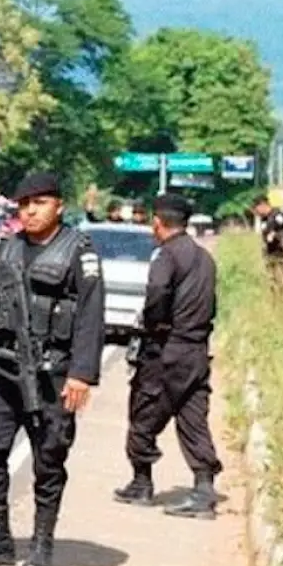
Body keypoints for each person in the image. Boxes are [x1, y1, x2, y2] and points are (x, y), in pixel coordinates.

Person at [0, 173, 105, 566]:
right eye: (24, 204)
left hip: (53, 376)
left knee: (49, 459)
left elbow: (91, 314)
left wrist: (82, 373)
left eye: (39, 203)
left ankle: (41, 544)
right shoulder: (8, 247)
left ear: (59, 205)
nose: (30, 211)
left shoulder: (79, 251)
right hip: (2, 369)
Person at [113, 193, 223, 519]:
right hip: (197, 350)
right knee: (193, 416)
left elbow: (157, 293)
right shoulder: (205, 258)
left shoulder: (166, 256)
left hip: (166, 349)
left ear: (158, 223)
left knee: (144, 411)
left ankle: (141, 482)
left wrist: (153, 322)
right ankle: (204, 489)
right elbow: (212, 303)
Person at [251, 193, 283, 287]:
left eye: (256, 208)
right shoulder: (264, 219)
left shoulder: (277, 216)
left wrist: (276, 235)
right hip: (272, 255)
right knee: (273, 282)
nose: (256, 211)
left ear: (263, 205)